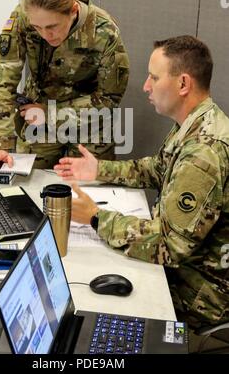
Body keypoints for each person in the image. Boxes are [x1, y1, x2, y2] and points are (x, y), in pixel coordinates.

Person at [54, 35, 229, 331]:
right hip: (184, 273)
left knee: (81, 307)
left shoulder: (204, 152)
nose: (146, 86)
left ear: (183, 84)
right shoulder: (196, 124)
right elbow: (156, 169)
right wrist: (99, 169)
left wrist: (96, 217)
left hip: (197, 298)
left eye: (154, 77)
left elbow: (168, 245)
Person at [0, 0, 129, 169]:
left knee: (89, 191)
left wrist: (51, 114)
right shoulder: (23, 18)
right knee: (31, 183)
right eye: (37, 28)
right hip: (38, 118)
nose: (45, 34)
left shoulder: (104, 31)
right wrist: (0, 146)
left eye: (52, 26)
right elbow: (2, 82)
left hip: (89, 123)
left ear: (73, 10)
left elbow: (108, 99)